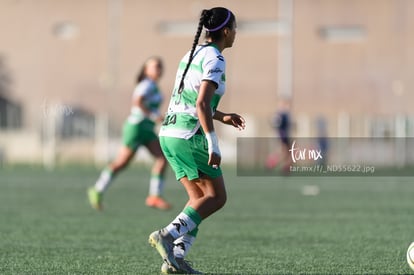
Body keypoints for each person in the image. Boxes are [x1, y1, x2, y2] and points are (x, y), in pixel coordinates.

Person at [147, 7, 245, 274]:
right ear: (225, 31)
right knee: (217, 197)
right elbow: (201, 104)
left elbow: (192, 101)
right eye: (235, 28)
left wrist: (222, 117)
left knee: (198, 201)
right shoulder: (215, 58)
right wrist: (213, 143)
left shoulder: (192, 53)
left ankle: (175, 260)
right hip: (189, 136)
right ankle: (166, 235)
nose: (236, 33)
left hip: (169, 134)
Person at [87, 57, 172, 211]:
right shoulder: (145, 85)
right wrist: (153, 115)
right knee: (121, 163)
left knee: (162, 158)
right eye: (155, 66)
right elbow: (137, 102)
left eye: (160, 66)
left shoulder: (153, 86)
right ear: (146, 70)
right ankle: (97, 189)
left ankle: (154, 196)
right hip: (136, 127)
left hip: (147, 128)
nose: (158, 69)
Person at [266, 98, 292, 174]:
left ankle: (285, 168)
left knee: (286, 152)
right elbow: (276, 123)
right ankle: (271, 164)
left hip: (284, 135)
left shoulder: (284, 114)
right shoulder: (281, 114)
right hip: (283, 135)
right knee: (284, 152)